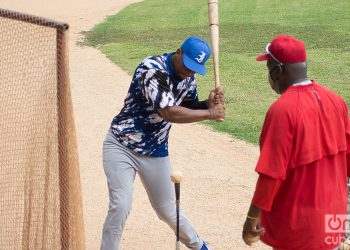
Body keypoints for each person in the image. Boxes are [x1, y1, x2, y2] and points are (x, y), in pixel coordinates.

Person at [101, 35, 225, 250]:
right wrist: (210, 113)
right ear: (178, 52)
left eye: (195, 68)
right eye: (187, 65)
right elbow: (169, 112)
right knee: (120, 206)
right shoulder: (152, 69)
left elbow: (188, 105)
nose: (189, 71)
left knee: (168, 210)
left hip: (155, 150)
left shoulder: (188, 77)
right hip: (121, 145)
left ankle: (202, 247)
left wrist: (207, 103)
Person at [242, 34, 350, 250]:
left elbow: (271, 174)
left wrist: (251, 217)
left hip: (299, 222)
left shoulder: (282, 110)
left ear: (276, 71)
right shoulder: (335, 100)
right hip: (335, 216)